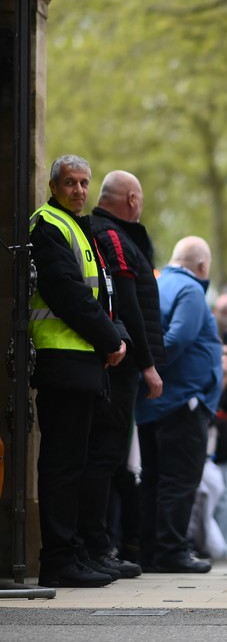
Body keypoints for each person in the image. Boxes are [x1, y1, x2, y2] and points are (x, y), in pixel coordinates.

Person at [30, 155, 128, 588]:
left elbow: (104, 295)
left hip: (84, 363)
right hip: (62, 361)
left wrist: (114, 335)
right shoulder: (47, 225)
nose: (79, 190)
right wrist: (111, 339)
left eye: (84, 182)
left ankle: (76, 553)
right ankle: (58, 558)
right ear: (53, 186)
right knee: (63, 466)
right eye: (70, 182)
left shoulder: (77, 226)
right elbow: (69, 295)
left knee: (79, 463)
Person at [84, 170, 165, 579]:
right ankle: (96, 547)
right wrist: (147, 364)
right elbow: (129, 304)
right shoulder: (113, 236)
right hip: (120, 366)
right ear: (133, 199)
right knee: (105, 456)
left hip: (120, 362)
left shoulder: (113, 233)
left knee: (111, 458)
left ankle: (104, 545)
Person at [136, 236, 222, 575]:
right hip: (181, 403)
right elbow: (176, 340)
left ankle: (150, 551)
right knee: (179, 481)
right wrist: (151, 366)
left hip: (153, 404)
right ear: (202, 267)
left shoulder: (159, 285)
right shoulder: (190, 290)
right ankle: (171, 550)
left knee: (155, 480)